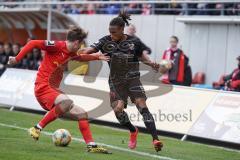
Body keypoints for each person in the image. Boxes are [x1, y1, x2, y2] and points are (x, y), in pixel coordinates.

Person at [8, 26, 110, 154]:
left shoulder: (71, 52)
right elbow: (33, 43)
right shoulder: (56, 46)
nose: (79, 48)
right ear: (76, 42)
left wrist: (96, 57)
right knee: (67, 102)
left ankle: (91, 145)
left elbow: (79, 57)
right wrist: (17, 58)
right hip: (43, 87)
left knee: (82, 114)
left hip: (54, 91)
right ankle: (37, 128)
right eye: (80, 45)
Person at [80, 10, 163, 152]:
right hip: (116, 81)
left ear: (122, 30)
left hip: (133, 79)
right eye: (110, 32)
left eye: (114, 33)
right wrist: (79, 49)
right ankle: (132, 130)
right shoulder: (105, 40)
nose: (112, 35)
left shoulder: (134, 41)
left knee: (141, 105)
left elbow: (141, 57)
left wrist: (151, 64)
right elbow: (88, 50)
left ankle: (155, 139)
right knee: (118, 109)